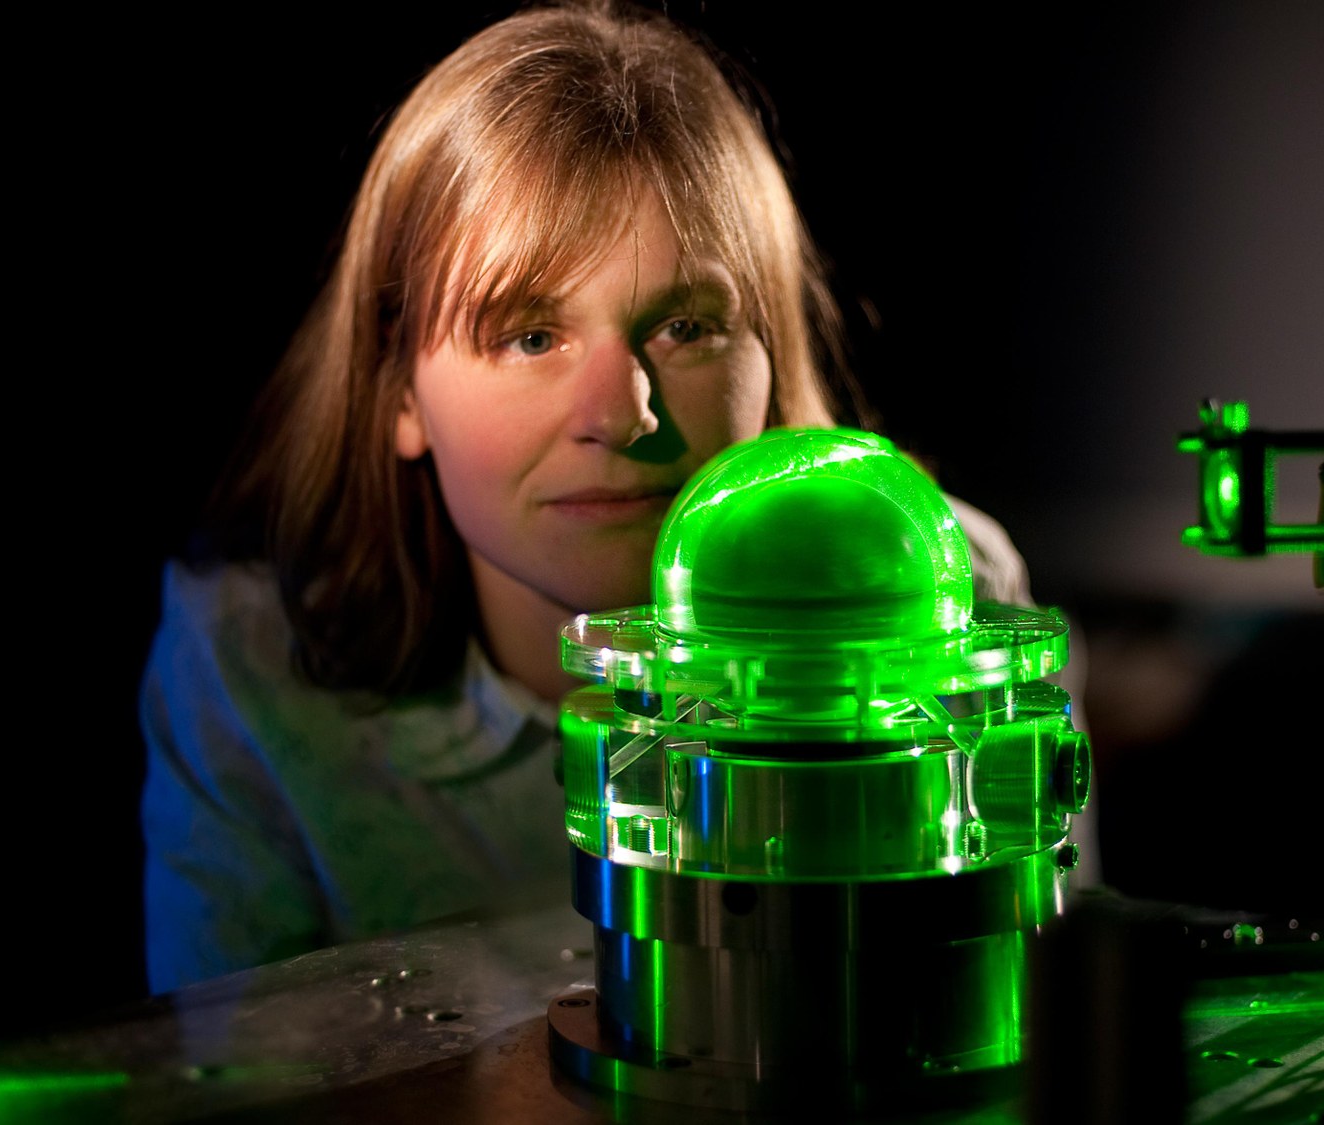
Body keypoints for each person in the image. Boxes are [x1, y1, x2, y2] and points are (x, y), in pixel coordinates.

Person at [140, 0, 1030, 993]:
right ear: (400, 389)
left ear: (773, 362)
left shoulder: (957, 600)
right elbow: (232, 1059)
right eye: (531, 336)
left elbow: (1031, 1010)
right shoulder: (249, 663)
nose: (620, 413)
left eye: (686, 327)